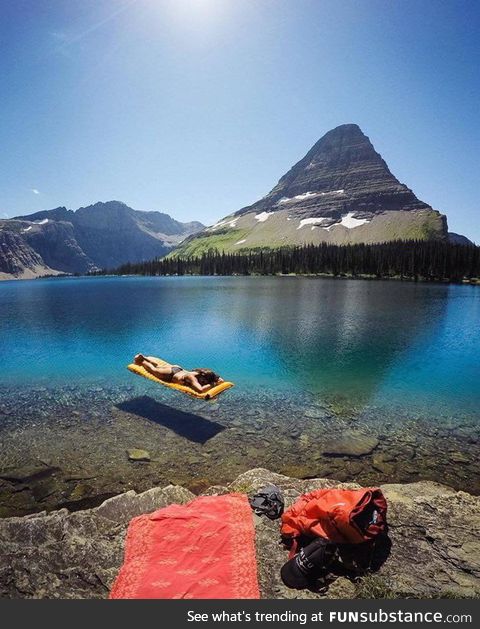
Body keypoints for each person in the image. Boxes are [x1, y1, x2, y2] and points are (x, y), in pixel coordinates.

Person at [134, 354, 224, 393]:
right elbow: (200, 390)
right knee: (154, 370)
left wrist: (216, 381)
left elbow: (221, 380)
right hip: (170, 374)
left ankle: (145, 358)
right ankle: (141, 360)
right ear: (203, 376)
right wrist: (213, 384)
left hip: (178, 369)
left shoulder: (205, 372)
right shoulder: (191, 377)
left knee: (157, 366)